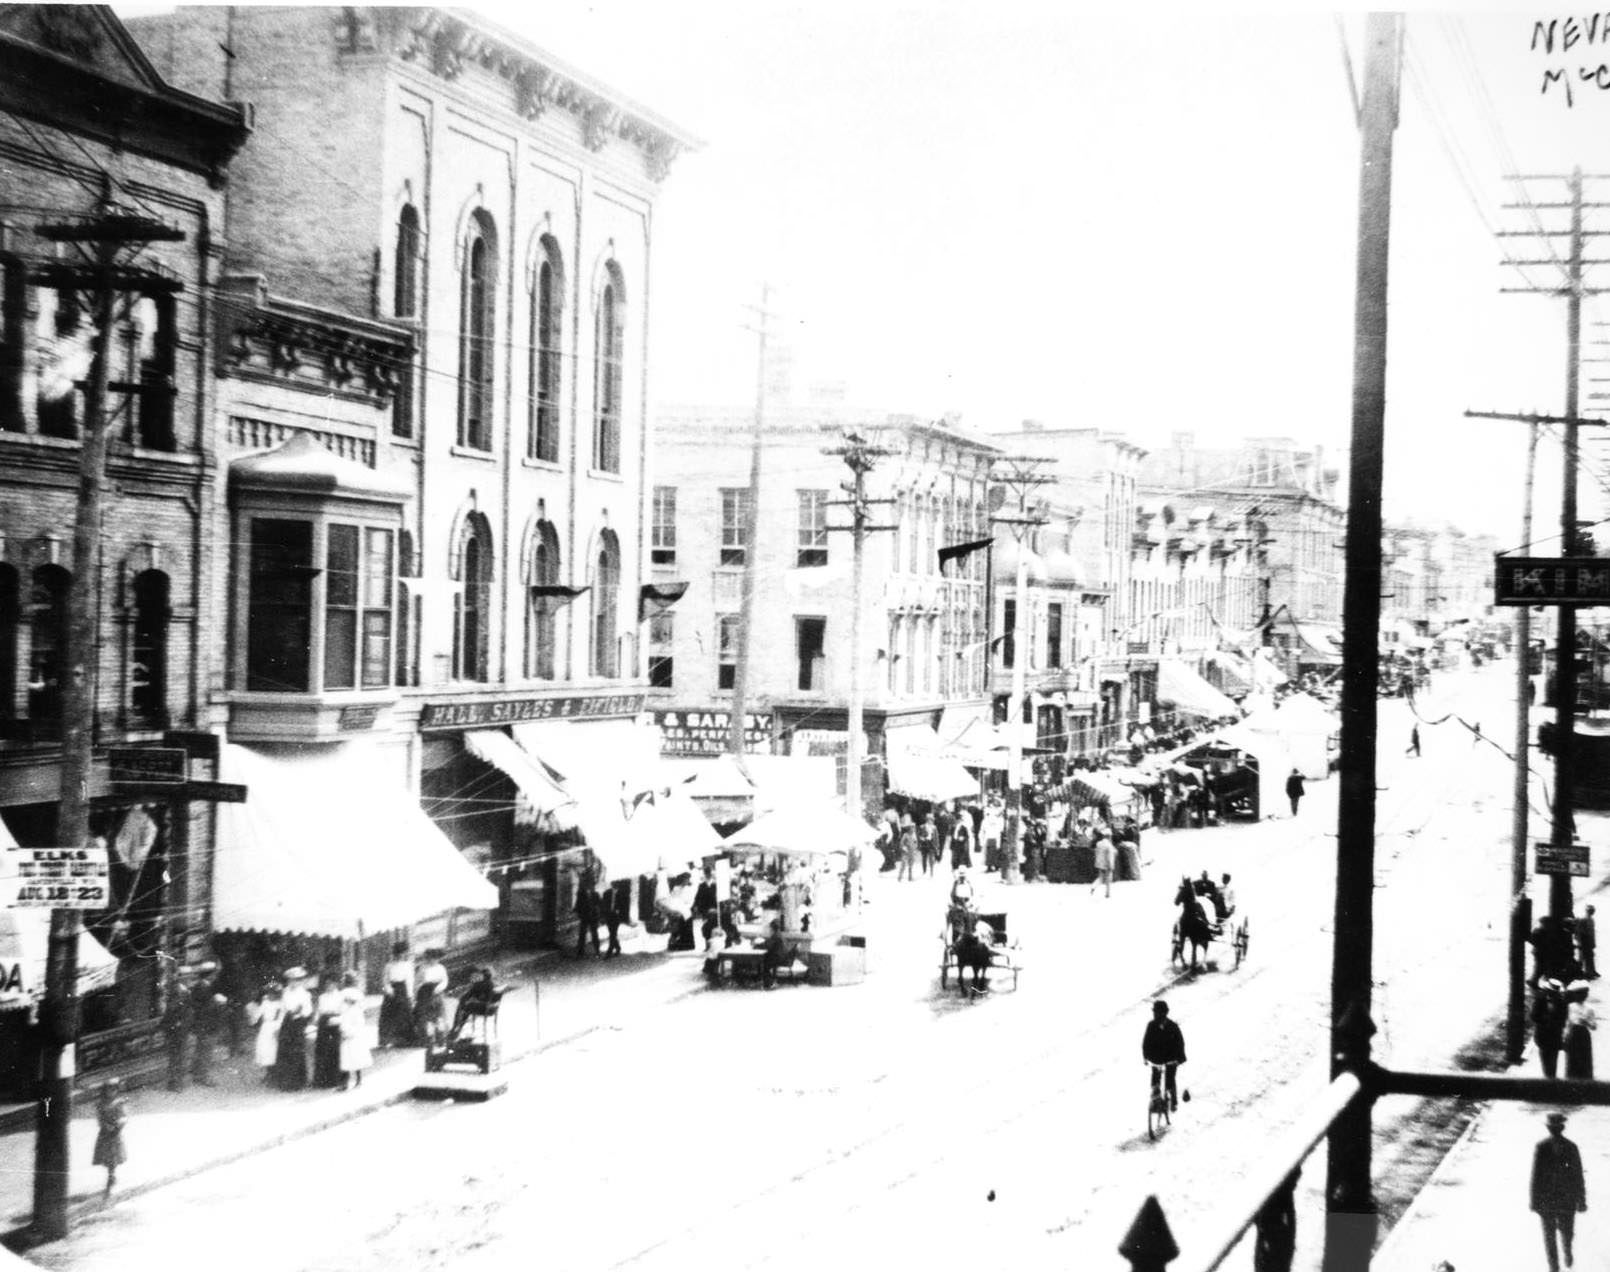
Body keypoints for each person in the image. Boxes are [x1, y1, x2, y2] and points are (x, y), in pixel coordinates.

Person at [1530, 1111, 1587, 1272]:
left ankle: (1567, 1251)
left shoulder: (1571, 1147)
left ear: (1561, 1128)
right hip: (1547, 1200)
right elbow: (1536, 1175)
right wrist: (1534, 1201)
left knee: (1567, 1232)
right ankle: (1553, 1266)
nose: (1554, 1130)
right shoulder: (1541, 1147)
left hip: (1566, 1199)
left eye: (1557, 1127)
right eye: (1552, 1127)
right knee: (1549, 1237)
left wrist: (1581, 1200)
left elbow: (1578, 1175)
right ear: (1549, 1129)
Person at [1142, 1000, 1187, 1113]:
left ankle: (1173, 1100)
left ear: (1165, 1013)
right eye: (1155, 1012)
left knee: (1170, 1079)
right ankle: (1155, 1100)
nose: (1157, 1015)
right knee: (1155, 1080)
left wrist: (1179, 1058)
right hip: (1156, 1058)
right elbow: (1146, 1043)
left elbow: (1180, 1043)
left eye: (1159, 1012)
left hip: (1170, 1058)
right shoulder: (1151, 1026)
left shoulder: (1173, 1026)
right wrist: (1146, 1057)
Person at [274, 967, 313, 1091]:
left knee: (296, 1051)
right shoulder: (285, 993)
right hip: (287, 1023)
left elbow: (308, 1010)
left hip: (298, 1024)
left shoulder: (305, 994)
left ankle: (298, 1082)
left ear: (300, 981)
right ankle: (285, 1082)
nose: (292, 983)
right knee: (285, 1051)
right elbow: (282, 1010)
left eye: (295, 980)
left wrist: (300, 1014)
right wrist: (278, 1026)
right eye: (290, 980)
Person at [190, 961, 226, 1087]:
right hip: (207, 1025)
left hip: (203, 1024)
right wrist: (218, 1002)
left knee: (201, 1050)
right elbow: (204, 1008)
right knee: (206, 1052)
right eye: (214, 974)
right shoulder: (203, 988)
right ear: (209, 975)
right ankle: (203, 1077)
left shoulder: (200, 986)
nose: (215, 976)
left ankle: (197, 1075)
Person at [92, 1079, 128, 1198]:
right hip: (105, 1133)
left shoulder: (119, 1102)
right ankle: (110, 1174)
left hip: (115, 1133)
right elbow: (99, 1117)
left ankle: (111, 1176)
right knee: (106, 1156)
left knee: (113, 1156)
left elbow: (124, 1116)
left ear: (117, 1090)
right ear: (104, 1090)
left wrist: (119, 1123)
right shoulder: (101, 1103)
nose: (111, 1092)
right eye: (109, 1089)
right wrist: (104, 1124)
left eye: (114, 1089)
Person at [162, 971, 195, 1093]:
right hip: (177, 1032)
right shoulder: (179, 994)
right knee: (178, 1058)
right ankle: (176, 1083)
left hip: (178, 1031)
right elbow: (173, 1013)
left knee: (177, 1058)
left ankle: (176, 1083)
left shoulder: (181, 993)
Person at [312, 972, 345, 1089]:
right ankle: (321, 1080)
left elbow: (344, 1012)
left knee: (334, 1050)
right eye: (327, 984)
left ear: (336, 984)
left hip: (335, 1023)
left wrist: (338, 1020)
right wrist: (316, 1020)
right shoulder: (322, 997)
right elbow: (319, 1011)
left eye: (331, 984)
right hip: (323, 1024)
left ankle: (334, 1080)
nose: (329, 986)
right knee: (322, 1050)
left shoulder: (340, 996)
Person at [379, 941, 415, 1047]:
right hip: (391, 990)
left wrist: (409, 995)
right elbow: (385, 980)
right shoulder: (389, 966)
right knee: (389, 1015)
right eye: (398, 954)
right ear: (395, 954)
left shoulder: (408, 965)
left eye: (403, 953)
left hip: (403, 990)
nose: (400, 956)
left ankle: (404, 1040)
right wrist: (388, 989)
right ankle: (388, 1040)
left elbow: (410, 981)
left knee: (403, 1014)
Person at [247, 982, 285, 1082]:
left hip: (275, 1026)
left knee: (273, 1050)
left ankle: (274, 1074)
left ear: (277, 994)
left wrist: (278, 1028)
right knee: (264, 1050)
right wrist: (253, 1019)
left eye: (273, 993)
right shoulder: (265, 1002)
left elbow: (281, 1017)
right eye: (269, 993)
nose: (270, 995)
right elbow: (259, 1013)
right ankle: (268, 1073)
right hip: (266, 1027)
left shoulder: (280, 1004)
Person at [1533, 979, 1568, 1079]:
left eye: (1555, 993)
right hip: (1542, 1035)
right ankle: (1548, 1078)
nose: (1552, 994)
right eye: (1550, 992)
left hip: (1555, 1036)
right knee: (1545, 1059)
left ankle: (1551, 1079)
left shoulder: (1562, 1003)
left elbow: (1563, 1019)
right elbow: (1533, 1016)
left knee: (1553, 1060)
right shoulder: (1540, 1000)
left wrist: (1556, 1023)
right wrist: (1544, 1019)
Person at [338, 987, 372, 1091]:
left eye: (349, 1000)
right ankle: (345, 1083)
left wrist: (349, 1033)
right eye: (346, 1000)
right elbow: (343, 1022)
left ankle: (358, 1079)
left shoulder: (357, 1012)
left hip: (354, 1038)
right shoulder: (345, 1011)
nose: (347, 1002)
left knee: (356, 1058)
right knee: (345, 1060)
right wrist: (342, 1030)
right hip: (345, 1037)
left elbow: (359, 1026)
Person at [1564, 975, 1595, 1080]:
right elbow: (1568, 1023)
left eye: (1584, 994)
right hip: (1573, 1034)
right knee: (1572, 1058)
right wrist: (1565, 1037)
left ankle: (1585, 1079)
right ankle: (1572, 1079)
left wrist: (1586, 1022)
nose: (1582, 996)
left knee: (1584, 1058)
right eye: (1578, 994)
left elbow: (1594, 1026)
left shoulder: (1590, 1008)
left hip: (1583, 1035)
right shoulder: (1570, 1006)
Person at [575, 877, 602, 957]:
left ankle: (597, 951)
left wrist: (599, 915)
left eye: (591, 885)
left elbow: (600, 905)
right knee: (582, 935)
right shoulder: (581, 894)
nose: (589, 887)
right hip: (584, 917)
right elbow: (578, 905)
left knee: (595, 935)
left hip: (593, 917)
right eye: (587, 885)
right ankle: (580, 952)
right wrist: (580, 914)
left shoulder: (595, 894)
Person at [601, 883, 625, 958]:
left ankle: (609, 952)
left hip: (616, 917)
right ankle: (618, 947)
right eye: (614, 886)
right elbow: (603, 904)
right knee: (612, 933)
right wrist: (603, 916)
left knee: (612, 934)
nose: (615, 888)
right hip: (609, 916)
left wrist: (620, 911)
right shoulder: (606, 893)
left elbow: (624, 905)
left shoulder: (621, 894)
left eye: (616, 886)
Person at [1092, 831, 1115, 899]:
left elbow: (1096, 853)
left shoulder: (1098, 843)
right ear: (1109, 837)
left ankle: (1093, 886)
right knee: (1108, 879)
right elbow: (1110, 856)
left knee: (1101, 878)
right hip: (1107, 864)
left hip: (1099, 863)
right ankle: (1107, 893)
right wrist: (1111, 865)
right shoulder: (1109, 845)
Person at [896, 814, 918, 882]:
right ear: (909, 828)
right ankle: (900, 877)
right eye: (912, 828)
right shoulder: (905, 835)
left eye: (914, 828)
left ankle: (910, 877)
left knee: (911, 865)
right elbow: (901, 843)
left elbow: (916, 842)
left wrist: (915, 848)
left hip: (912, 851)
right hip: (906, 852)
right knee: (903, 865)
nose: (913, 829)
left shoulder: (914, 835)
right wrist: (903, 848)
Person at [1579, 905, 1598, 980]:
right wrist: (1580, 942)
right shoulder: (1583, 919)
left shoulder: (1592, 920)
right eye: (1590, 911)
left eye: (1592, 911)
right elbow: (1580, 932)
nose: (1592, 912)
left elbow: (1592, 932)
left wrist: (1593, 942)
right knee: (1585, 957)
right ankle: (1587, 973)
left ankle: (1592, 971)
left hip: (1589, 940)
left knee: (1591, 956)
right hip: (1584, 941)